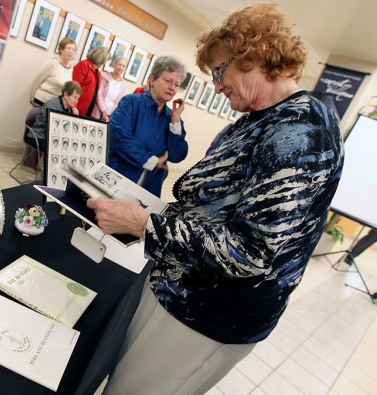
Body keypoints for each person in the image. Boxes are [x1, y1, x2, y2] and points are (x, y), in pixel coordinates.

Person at [88, 5, 344, 394]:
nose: (217, 85)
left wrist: (144, 224)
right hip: (178, 288)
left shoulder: (300, 132)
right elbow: (208, 206)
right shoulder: (260, 118)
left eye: (219, 71)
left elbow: (249, 253)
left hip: (208, 316)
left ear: (255, 57)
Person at [108, 56, 188, 197]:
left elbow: (177, 155)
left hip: (147, 191)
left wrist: (175, 121)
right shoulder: (131, 102)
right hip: (115, 183)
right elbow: (119, 138)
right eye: (168, 80)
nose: (172, 87)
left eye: (176, 84)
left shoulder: (172, 117)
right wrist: (153, 161)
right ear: (152, 80)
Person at [27, 80, 82, 152]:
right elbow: (52, 129)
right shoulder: (53, 105)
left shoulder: (69, 109)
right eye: (75, 97)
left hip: (51, 137)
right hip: (38, 136)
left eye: (78, 98)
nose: (77, 101)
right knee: (63, 148)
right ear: (65, 95)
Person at [29, 37, 77, 106]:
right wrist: (31, 99)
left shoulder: (71, 68)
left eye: (73, 49)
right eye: (69, 48)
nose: (71, 52)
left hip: (54, 104)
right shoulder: (52, 63)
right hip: (41, 101)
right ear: (61, 49)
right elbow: (37, 80)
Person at [72, 46, 111, 117]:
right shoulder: (84, 65)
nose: (104, 63)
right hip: (77, 107)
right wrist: (73, 105)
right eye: (104, 61)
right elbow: (74, 87)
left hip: (88, 110)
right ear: (100, 58)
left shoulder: (98, 73)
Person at [92, 57, 128, 121]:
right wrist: (103, 111)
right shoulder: (105, 77)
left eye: (123, 66)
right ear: (115, 65)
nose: (121, 67)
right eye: (119, 65)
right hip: (98, 112)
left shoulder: (123, 84)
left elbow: (120, 102)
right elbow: (99, 95)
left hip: (111, 116)